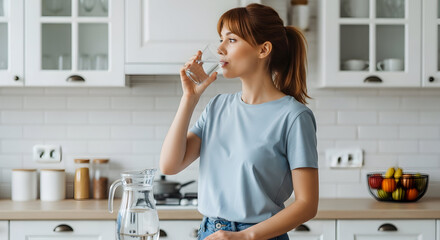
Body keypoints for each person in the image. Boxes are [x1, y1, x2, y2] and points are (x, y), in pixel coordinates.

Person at [160, 3, 319, 240]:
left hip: (261, 236)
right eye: (221, 39)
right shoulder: (217, 107)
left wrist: (244, 237)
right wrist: (190, 98)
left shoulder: (294, 117)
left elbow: (307, 204)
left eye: (231, 40)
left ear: (263, 49)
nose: (220, 48)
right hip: (209, 233)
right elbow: (170, 165)